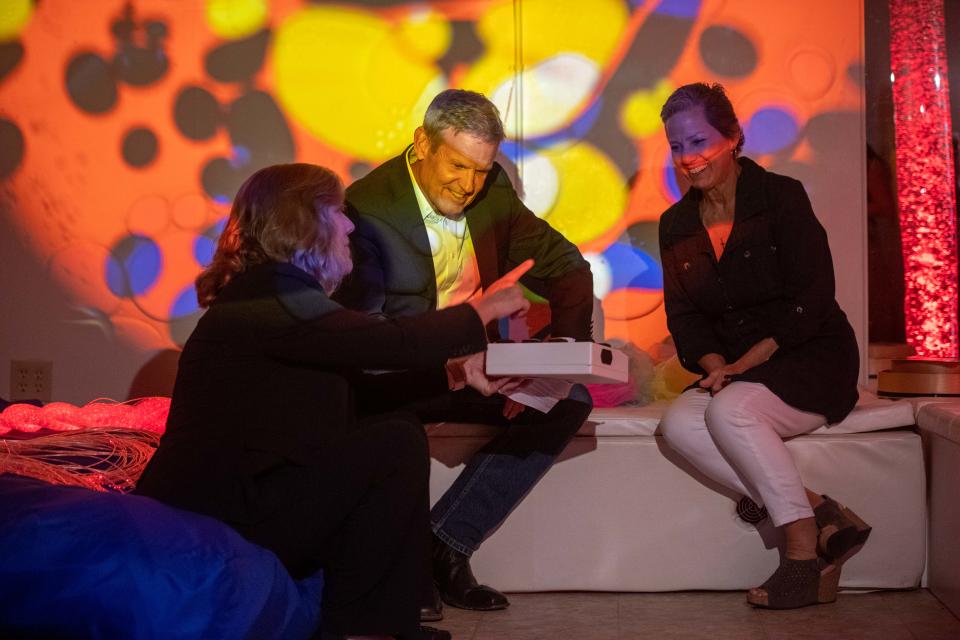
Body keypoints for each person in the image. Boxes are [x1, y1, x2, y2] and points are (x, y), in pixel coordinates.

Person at [135, 163, 531, 640]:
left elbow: (357, 393)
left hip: (248, 499)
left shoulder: (276, 296)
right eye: (339, 212)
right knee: (393, 443)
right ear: (303, 220)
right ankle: (371, 628)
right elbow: (385, 342)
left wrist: (453, 374)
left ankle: (376, 621)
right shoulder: (270, 295)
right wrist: (479, 311)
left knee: (391, 432)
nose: (348, 226)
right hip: (225, 512)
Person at [334, 89, 594, 618]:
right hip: (399, 373)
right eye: (458, 165)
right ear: (422, 143)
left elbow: (568, 266)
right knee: (395, 429)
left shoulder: (492, 191)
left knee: (570, 400)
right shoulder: (368, 207)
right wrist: (448, 367)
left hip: (475, 369)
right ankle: (403, 568)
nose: (470, 184)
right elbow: (366, 338)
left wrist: (553, 360)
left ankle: (447, 543)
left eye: (482, 168)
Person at [655, 83, 870, 610]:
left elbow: (815, 293)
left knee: (730, 411)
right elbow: (684, 315)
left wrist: (749, 361)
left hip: (810, 353)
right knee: (677, 423)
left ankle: (801, 555)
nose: (688, 157)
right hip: (737, 369)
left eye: (699, 140)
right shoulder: (675, 223)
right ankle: (822, 512)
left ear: (733, 137)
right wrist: (714, 364)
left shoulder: (781, 196)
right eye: (677, 146)